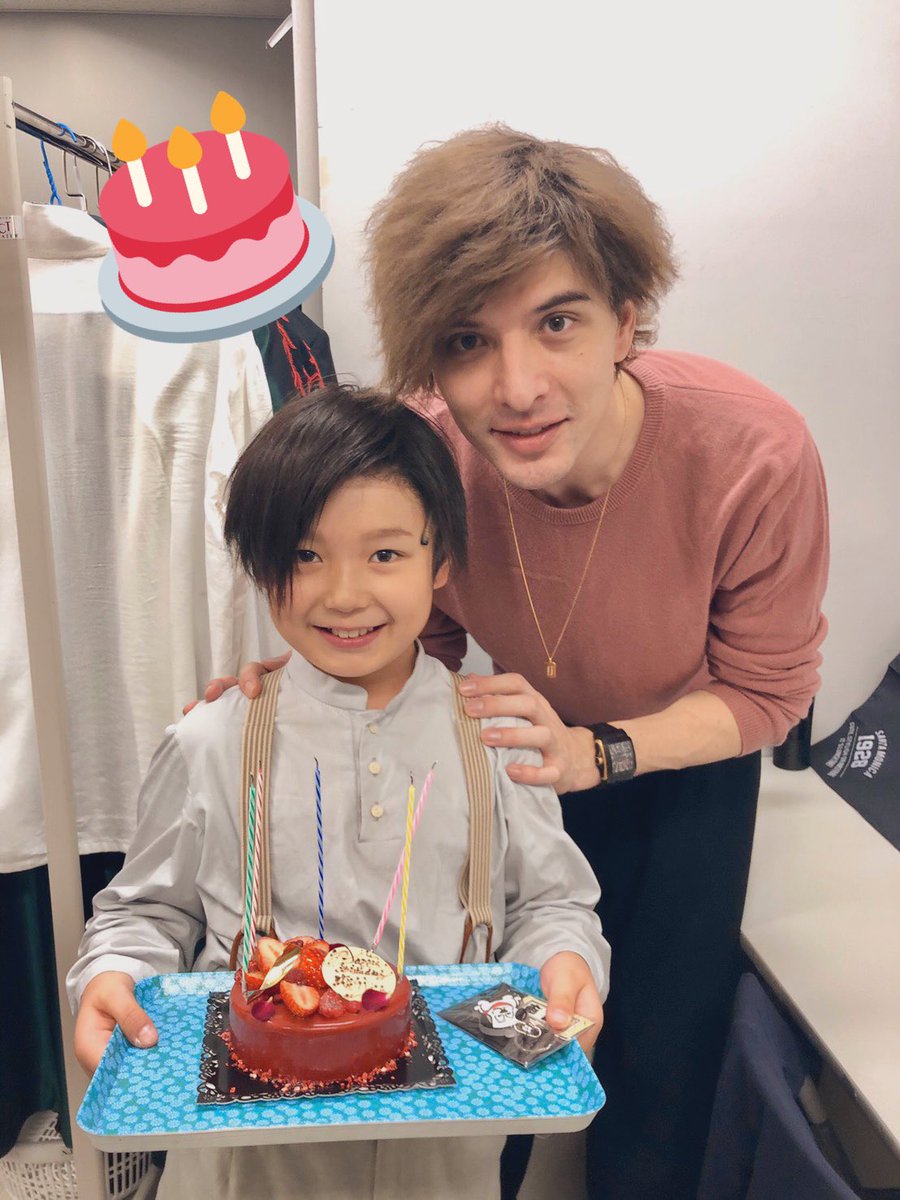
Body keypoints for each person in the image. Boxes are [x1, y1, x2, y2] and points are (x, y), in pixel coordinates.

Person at [206, 126, 829, 1200]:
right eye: (467, 341)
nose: (517, 386)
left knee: (656, 1062)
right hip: (512, 757)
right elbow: (420, 635)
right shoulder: (429, 455)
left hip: (683, 768)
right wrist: (296, 689)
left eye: (557, 322)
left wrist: (599, 752)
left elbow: (770, 690)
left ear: (627, 316)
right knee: (484, 1033)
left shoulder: (754, 454)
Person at [68, 384, 608, 1200]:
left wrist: (564, 961)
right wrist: (115, 972)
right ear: (259, 564)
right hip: (247, 1160)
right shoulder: (213, 738)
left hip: (444, 1148)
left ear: (441, 560)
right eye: (304, 556)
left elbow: (548, 904)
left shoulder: (495, 735)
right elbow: (146, 912)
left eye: (385, 555)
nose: (344, 594)